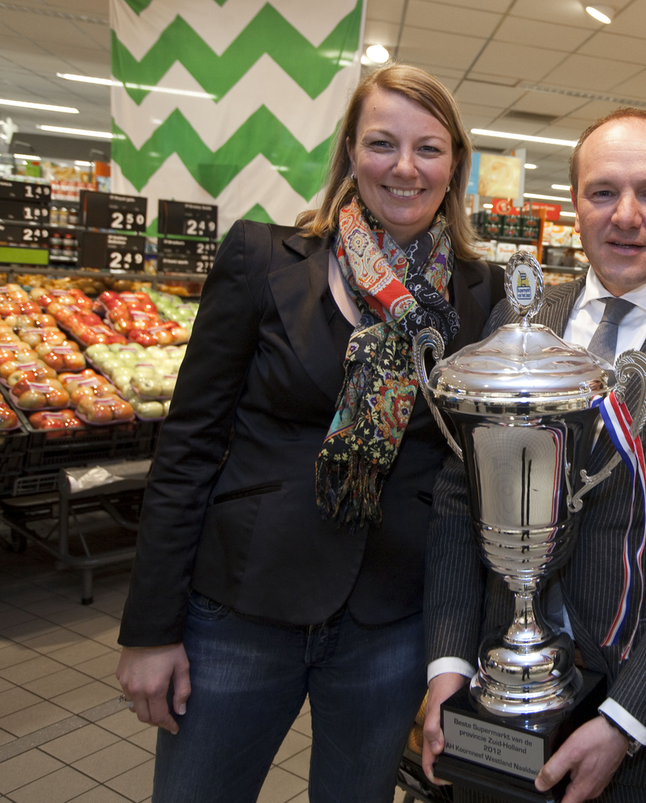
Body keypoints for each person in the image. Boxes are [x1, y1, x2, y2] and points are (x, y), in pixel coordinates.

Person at [114, 63, 505, 803]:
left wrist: (462, 645)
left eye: (428, 148)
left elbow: (470, 472)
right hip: (241, 606)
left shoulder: (480, 296)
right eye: (382, 143)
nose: (404, 167)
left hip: (391, 618)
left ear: (455, 163)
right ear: (350, 151)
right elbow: (189, 446)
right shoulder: (265, 259)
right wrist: (150, 629)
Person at [421, 108, 646, 803]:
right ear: (576, 204)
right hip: (495, 702)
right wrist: (446, 666)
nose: (626, 215)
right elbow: (456, 497)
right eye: (603, 192)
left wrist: (623, 724)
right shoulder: (517, 321)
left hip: (645, 730)